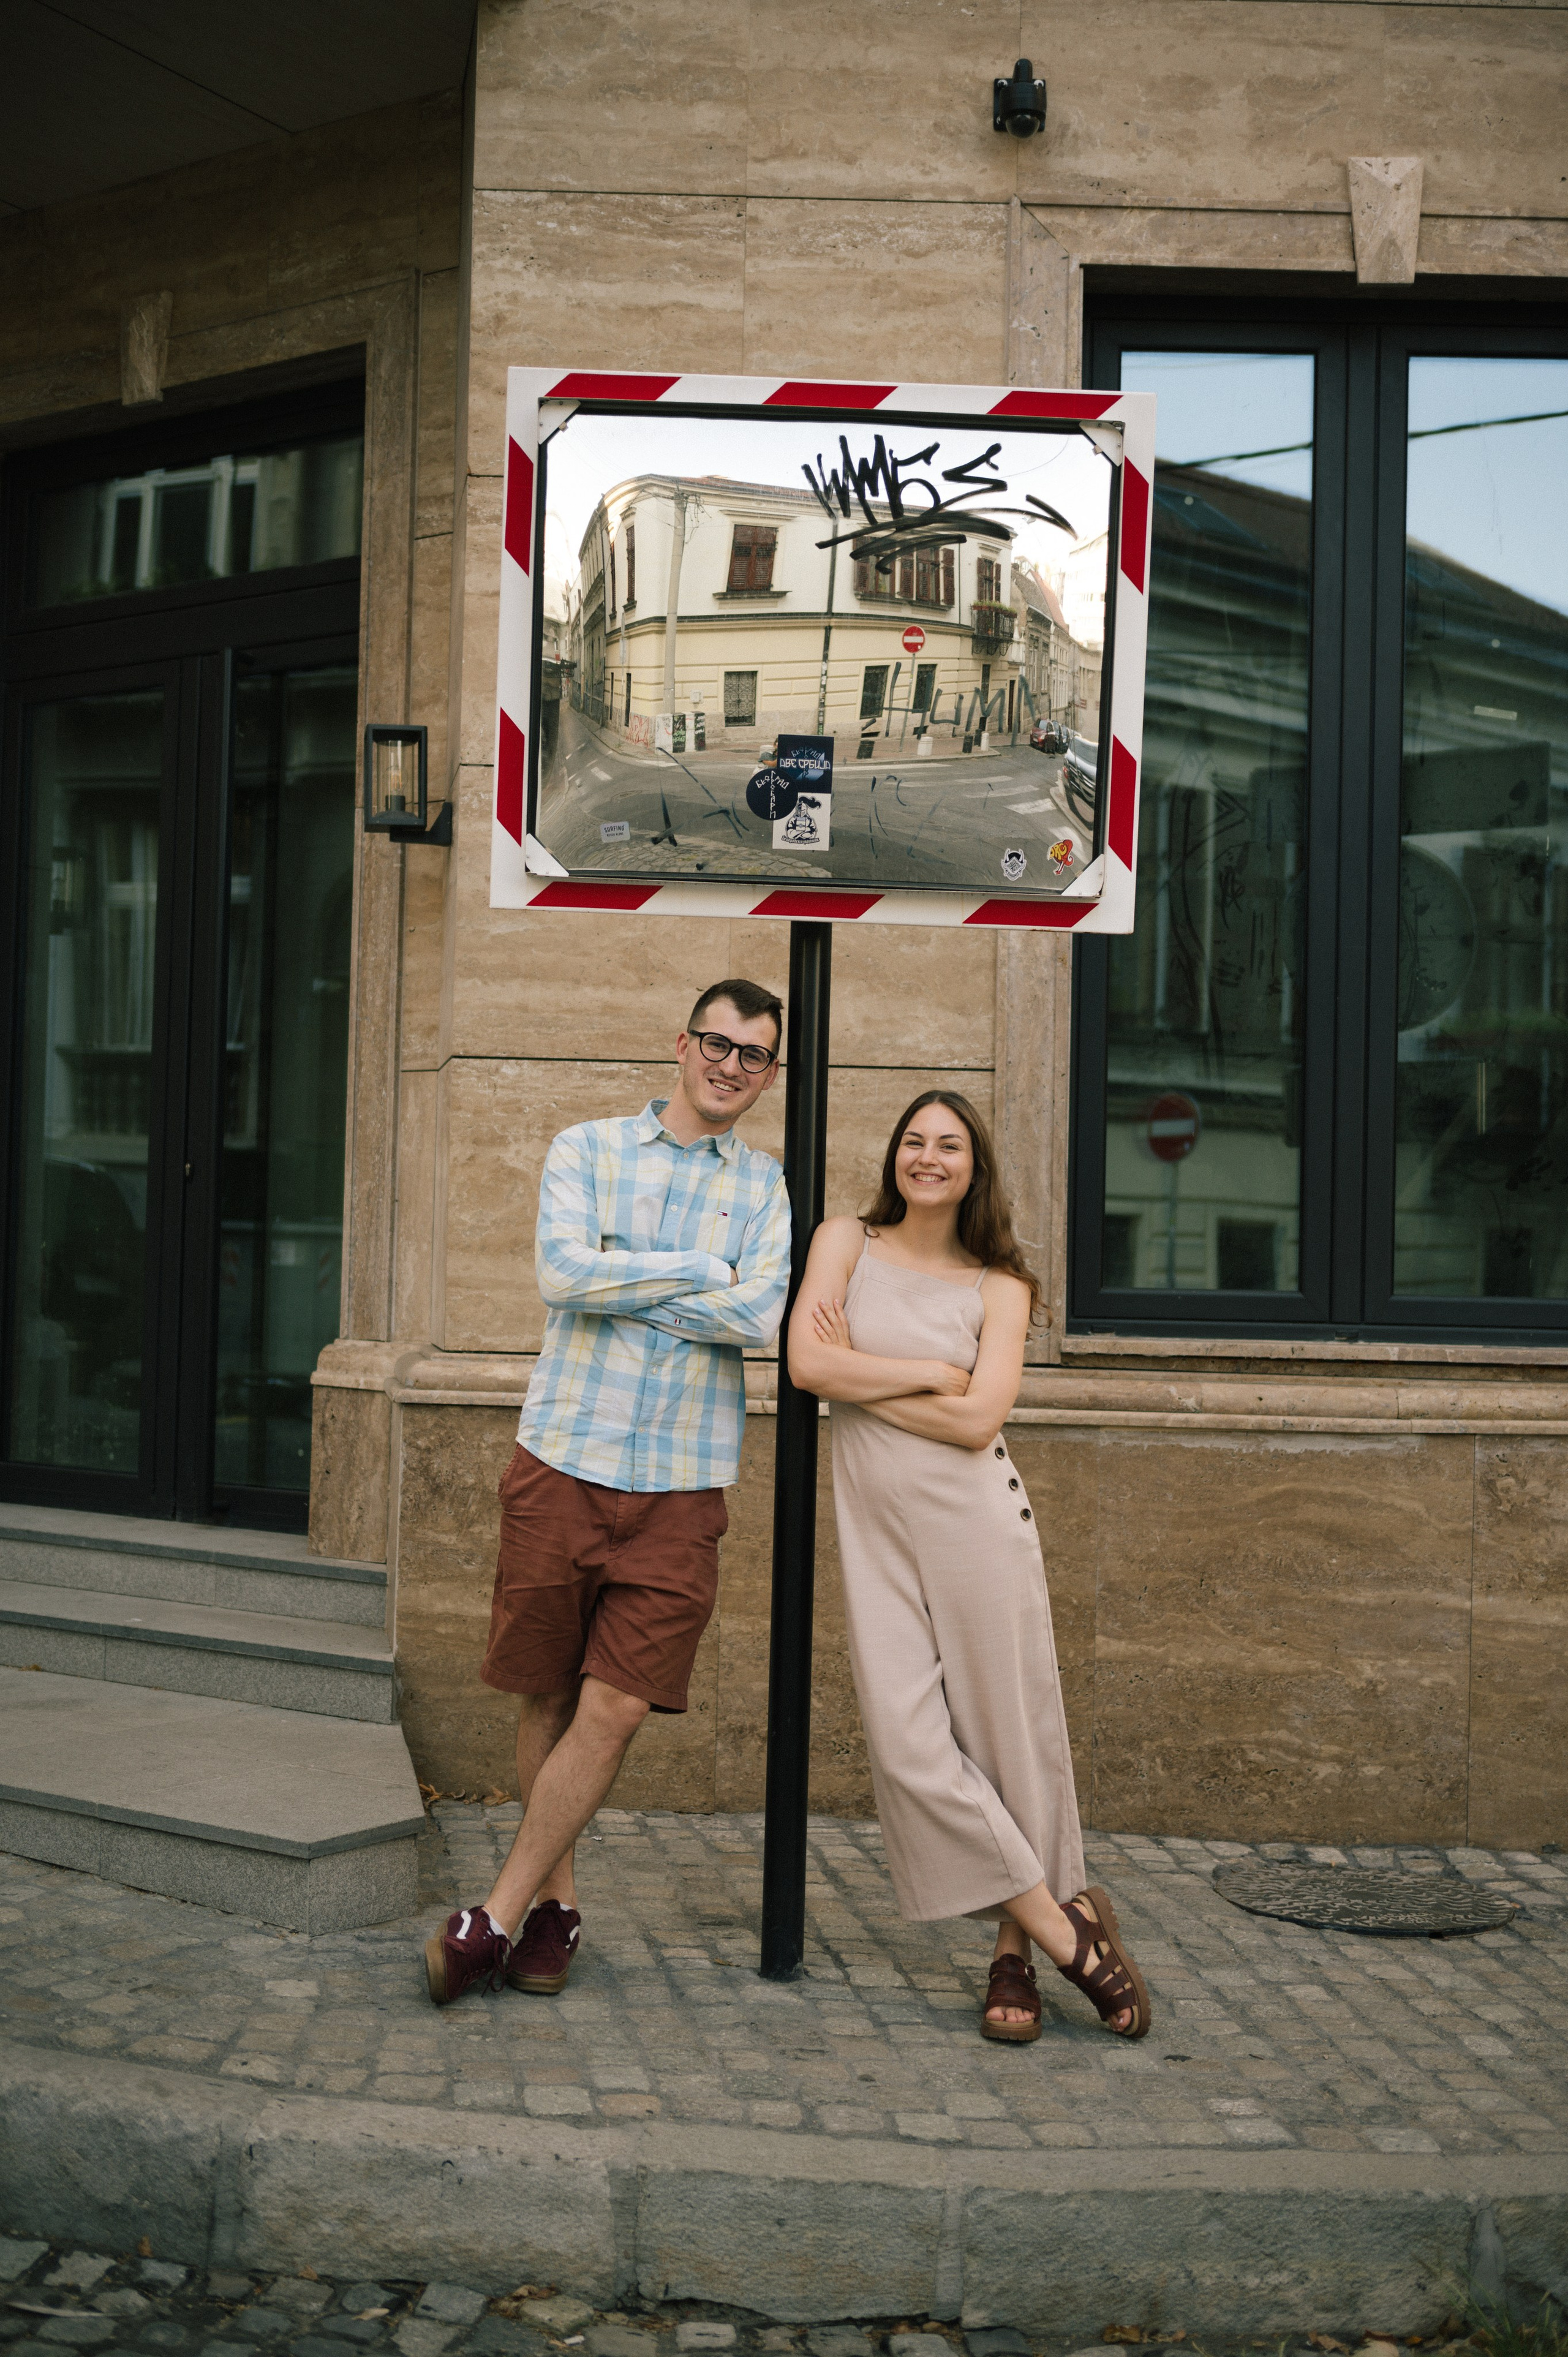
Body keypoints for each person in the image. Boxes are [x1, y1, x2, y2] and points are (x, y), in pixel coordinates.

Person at [425, 978, 792, 2006]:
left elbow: (760, 1315)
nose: (730, 1065)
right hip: (565, 1459)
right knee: (549, 1690)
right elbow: (562, 1277)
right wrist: (695, 1273)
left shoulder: (765, 1188)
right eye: (717, 1043)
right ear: (680, 1045)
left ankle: (490, 1915)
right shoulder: (585, 1149)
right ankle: (555, 1913)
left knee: (618, 1706)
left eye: (753, 1055)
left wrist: (628, 1277)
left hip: (681, 1483)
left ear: (768, 1075)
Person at [786, 1090, 1151, 2043]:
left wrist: (866, 1367)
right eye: (914, 1140)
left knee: (1006, 1741)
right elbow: (805, 1367)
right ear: (894, 1155)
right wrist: (931, 1373)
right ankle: (1074, 1932)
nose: (928, 1157)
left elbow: (978, 1421)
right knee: (911, 1748)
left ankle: (1015, 1955)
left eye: (949, 1145)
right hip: (879, 1533)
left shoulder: (1002, 1286)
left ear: (974, 1166)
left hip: (979, 1524)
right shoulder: (845, 1242)